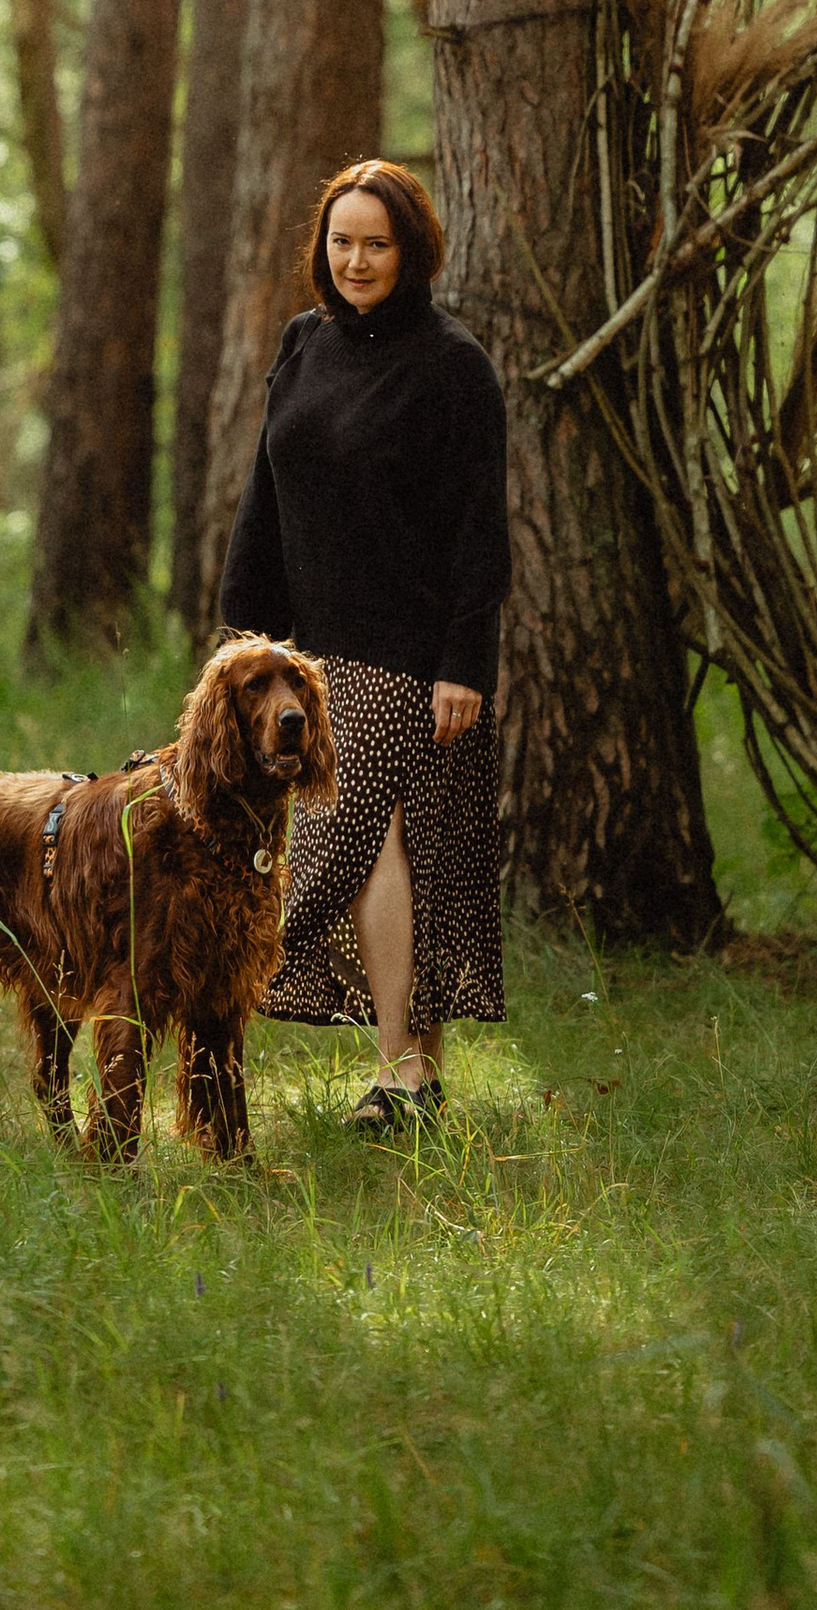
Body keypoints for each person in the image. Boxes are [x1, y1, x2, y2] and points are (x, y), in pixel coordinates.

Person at [217, 156, 508, 1133]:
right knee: (401, 851)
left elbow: (480, 528)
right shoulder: (306, 343)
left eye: (375, 244)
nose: (355, 260)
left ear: (410, 251)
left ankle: (398, 1070)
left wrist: (466, 663)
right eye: (341, 241)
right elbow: (267, 488)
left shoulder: (451, 365)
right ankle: (411, 1074)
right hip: (313, 651)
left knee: (355, 846)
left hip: (411, 649)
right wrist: (245, 632)